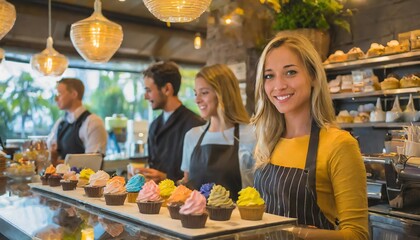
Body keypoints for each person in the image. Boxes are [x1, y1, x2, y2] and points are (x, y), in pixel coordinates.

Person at [251, 33, 369, 239]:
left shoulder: (339, 144)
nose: (278, 85)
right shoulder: (268, 143)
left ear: (313, 77)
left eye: (290, 72)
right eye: (269, 76)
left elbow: (358, 235)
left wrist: (297, 232)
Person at [180, 64, 256, 201]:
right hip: (196, 219)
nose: (197, 100)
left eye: (204, 93)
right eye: (196, 93)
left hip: (239, 220)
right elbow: (187, 184)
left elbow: (259, 189)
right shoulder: (192, 136)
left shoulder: (252, 135)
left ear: (223, 93)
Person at [136, 61, 205, 183]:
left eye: (149, 90)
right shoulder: (154, 125)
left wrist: (166, 178)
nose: (145, 96)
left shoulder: (195, 125)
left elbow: (199, 177)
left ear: (167, 89)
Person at [47, 78, 107, 166]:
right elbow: (49, 152)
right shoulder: (60, 123)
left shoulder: (93, 122)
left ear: (74, 94)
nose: (56, 98)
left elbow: (92, 164)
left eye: (59, 94)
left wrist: (58, 162)